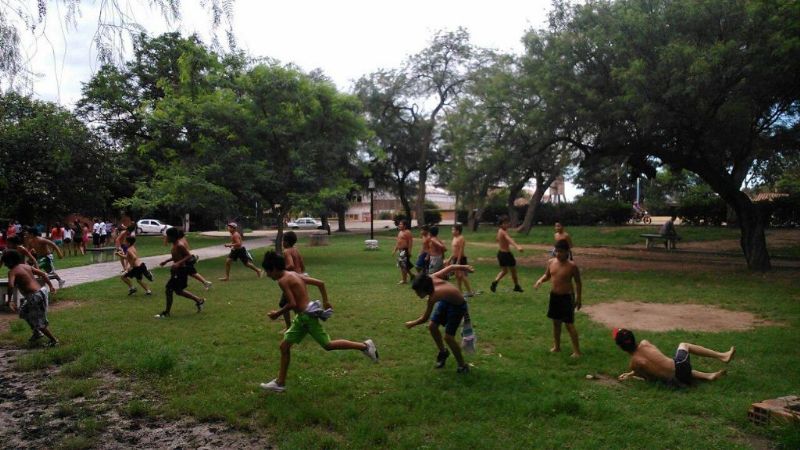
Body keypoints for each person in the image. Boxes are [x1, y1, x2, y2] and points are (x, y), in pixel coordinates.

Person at [259, 251, 378, 393]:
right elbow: (321, 284)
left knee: (328, 345)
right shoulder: (295, 274)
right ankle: (280, 383)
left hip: (306, 318)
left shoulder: (282, 281)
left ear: (273, 268)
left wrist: (276, 314)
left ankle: (365, 346)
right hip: (302, 318)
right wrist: (326, 300)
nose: (268, 275)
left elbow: (291, 303)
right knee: (284, 347)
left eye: (268, 272)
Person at [405, 264, 475, 373]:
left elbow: (424, 318)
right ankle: (443, 352)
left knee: (448, 337)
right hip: (446, 301)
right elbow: (451, 267)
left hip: (458, 306)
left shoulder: (434, 296)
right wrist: (464, 267)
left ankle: (462, 365)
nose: (417, 295)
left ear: (425, 289)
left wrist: (412, 323)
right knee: (432, 326)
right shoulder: (431, 277)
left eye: (418, 292)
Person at [613, 328, 735, 386]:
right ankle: (722, 356)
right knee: (684, 345)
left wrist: (631, 375)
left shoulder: (634, 364)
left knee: (671, 370)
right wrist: (631, 374)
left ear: (620, 347)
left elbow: (650, 379)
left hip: (676, 381)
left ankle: (709, 374)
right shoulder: (645, 343)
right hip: (680, 367)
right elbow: (659, 360)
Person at [1, 249, 59, 346]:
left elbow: (11, 285)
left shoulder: (12, 272)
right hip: (41, 292)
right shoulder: (26, 266)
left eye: (5, 262)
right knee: (23, 312)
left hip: (34, 297)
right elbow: (43, 274)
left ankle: (54, 340)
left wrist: (9, 300)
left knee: (38, 322)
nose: (5, 265)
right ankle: (37, 333)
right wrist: (51, 286)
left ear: (10, 261)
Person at [535, 239, 582, 357]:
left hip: (566, 297)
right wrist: (540, 280)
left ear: (567, 252)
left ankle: (577, 351)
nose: (558, 254)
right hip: (554, 296)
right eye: (556, 251)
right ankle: (557, 346)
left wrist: (578, 298)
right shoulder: (551, 262)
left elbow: (578, 283)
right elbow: (547, 275)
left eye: (561, 251)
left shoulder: (572, 266)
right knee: (556, 323)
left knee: (569, 324)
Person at [155, 227, 205, 318]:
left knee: (169, 289)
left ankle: (167, 312)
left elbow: (189, 256)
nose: (167, 238)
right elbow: (176, 256)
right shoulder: (174, 245)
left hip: (181, 271)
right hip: (176, 271)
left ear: (173, 237)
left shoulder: (179, 245)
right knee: (178, 291)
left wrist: (178, 263)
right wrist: (166, 261)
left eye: (168, 236)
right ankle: (199, 300)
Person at [278, 231, 305, 331]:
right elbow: (302, 264)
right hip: (300, 278)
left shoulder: (287, 251)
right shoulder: (296, 250)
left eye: (283, 241)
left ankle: (289, 327)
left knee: (284, 304)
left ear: (287, 242)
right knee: (296, 304)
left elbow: (291, 265)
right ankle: (303, 324)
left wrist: (281, 270)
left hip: (292, 280)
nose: (282, 243)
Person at [490, 216, 524, 293]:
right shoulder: (503, 232)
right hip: (506, 254)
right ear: (501, 225)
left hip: (500, 254)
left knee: (504, 271)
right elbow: (509, 239)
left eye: (507, 222)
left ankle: (495, 282)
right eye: (505, 223)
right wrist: (517, 246)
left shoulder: (500, 231)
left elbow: (499, 239)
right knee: (513, 271)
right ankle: (516, 286)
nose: (507, 224)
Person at [449, 223, 474, 297]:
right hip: (455, 259)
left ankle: (469, 292)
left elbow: (460, 250)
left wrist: (458, 261)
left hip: (461, 259)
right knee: (457, 276)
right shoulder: (454, 238)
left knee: (462, 276)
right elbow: (454, 251)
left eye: (453, 230)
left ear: (458, 231)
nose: (452, 231)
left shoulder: (461, 238)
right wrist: (450, 259)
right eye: (452, 230)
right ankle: (460, 292)